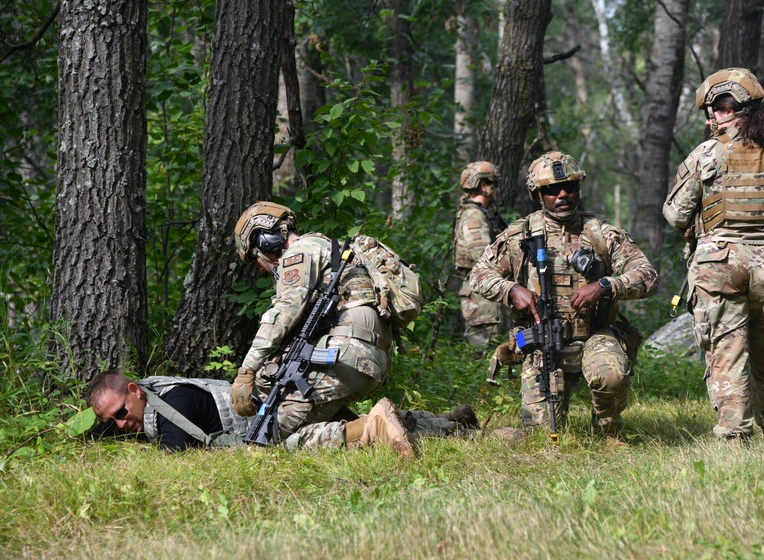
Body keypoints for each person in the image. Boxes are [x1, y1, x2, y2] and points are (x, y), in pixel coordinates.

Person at [663, 67, 764, 442]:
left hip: (718, 265)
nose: (713, 116)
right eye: (712, 109)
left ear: (743, 109)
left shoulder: (705, 154)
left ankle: (734, 436)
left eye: (721, 108)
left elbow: (675, 215)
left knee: (727, 350)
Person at [469, 151, 658, 436]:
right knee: (541, 436)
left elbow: (647, 276)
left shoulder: (600, 233)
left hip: (595, 333)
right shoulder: (520, 235)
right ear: (538, 194)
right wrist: (512, 290)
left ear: (578, 189)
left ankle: (609, 431)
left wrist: (606, 286)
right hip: (542, 340)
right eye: (551, 190)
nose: (562, 194)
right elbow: (478, 275)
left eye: (569, 186)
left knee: (611, 375)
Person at [229, 201, 405, 449]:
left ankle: (372, 429)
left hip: (347, 354)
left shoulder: (299, 253)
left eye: (256, 256)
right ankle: (441, 426)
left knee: (267, 442)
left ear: (266, 240)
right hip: (371, 356)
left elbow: (283, 313)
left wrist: (246, 371)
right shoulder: (328, 252)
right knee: (314, 420)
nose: (261, 267)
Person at [86, 370, 477, 452]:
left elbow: (174, 456)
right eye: (112, 423)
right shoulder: (161, 392)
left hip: (279, 419)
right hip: (287, 402)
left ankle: (374, 427)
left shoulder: (169, 406)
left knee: (298, 445)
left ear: (135, 391)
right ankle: (450, 426)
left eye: (121, 413)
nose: (122, 425)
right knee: (377, 423)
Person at [453, 161, 509, 345]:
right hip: (481, 297)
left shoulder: (481, 213)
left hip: (486, 293)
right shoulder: (474, 216)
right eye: (493, 184)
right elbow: (485, 258)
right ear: (484, 186)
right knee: (483, 354)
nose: (496, 190)